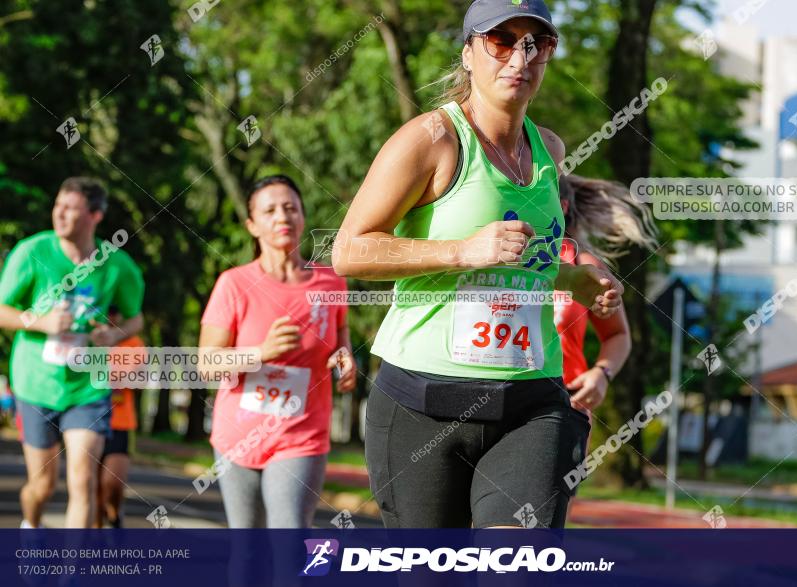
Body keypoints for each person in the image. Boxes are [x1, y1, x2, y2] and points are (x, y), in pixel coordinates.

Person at [334, 0, 623, 528]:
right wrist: (461, 250)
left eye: (537, 44)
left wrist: (574, 280)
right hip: (423, 403)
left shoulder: (549, 150)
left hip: (532, 402)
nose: (520, 56)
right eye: (502, 41)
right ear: (469, 53)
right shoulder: (431, 140)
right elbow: (350, 250)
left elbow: (519, 263)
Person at [199, 174, 356, 528]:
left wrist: (345, 357)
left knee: (289, 535)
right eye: (269, 211)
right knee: (248, 549)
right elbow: (207, 363)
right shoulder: (234, 283)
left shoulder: (331, 281)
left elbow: (341, 333)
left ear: (303, 216)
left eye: (290, 208)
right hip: (238, 434)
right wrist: (261, 352)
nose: (282, 217)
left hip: (301, 433)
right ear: (252, 225)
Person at [0, 176, 145, 528]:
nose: (59, 214)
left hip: (88, 387)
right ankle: (31, 526)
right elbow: (2, 309)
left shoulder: (117, 266)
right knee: (43, 485)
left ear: (95, 216)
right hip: (37, 383)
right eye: (58, 206)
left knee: (82, 480)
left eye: (71, 208)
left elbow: (135, 317)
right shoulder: (32, 252)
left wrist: (113, 333)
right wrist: (41, 321)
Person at [554, 175, 658, 456]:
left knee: (549, 500)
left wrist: (601, 374)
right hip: (491, 394)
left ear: (562, 206)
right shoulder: (493, 252)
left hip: (563, 401)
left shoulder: (581, 264)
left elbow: (618, 335)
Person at [93, 306, 144, 528]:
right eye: (107, 310)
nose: (111, 316)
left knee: (112, 482)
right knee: (91, 485)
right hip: (89, 421)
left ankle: (114, 513)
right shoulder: (86, 339)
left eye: (116, 311)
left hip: (120, 422)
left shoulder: (134, 344)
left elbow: (136, 378)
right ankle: (94, 535)